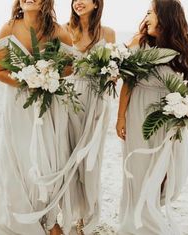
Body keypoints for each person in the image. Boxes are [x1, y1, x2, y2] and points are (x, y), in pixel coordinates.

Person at [116, 0, 188, 234]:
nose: (145, 18)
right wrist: (121, 118)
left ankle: (151, 213)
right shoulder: (140, 43)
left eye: (150, 13)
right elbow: (127, 82)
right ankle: (138, 223)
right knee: (138, 167)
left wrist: (185, 107)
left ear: (166, 17)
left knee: (166, 170)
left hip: (169, 115)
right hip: (138, 112)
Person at [0, 0, 73, 234]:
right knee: (19, 154)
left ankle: (47, 215)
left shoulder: (58, 31)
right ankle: (19, 212)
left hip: (47, 105)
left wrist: (48, 76)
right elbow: (0, 72)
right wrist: (28, 80)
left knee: (46, 156)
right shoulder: (9, 29)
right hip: (17, 104)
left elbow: (70, 67)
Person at [61, 0, 115, 234]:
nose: (78, 3)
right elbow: (58, 67)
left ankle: (90, 216)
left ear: (96, 4)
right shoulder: (63, 30)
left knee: (91, 161)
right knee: (68, 156)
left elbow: (114, 68)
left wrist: (112, 75)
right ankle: (71, 213)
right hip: (68, 98)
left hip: (96, 99)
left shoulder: (108, 33)